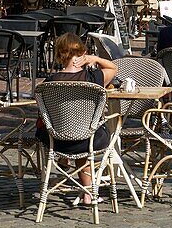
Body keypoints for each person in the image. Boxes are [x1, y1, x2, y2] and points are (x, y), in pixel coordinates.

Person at [35, 32, 118, 206]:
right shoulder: (93, 79)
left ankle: (69, 177)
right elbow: (113, 68)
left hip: (55, 141)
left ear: (59, 55)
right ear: (82, 53)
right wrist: (94, 58)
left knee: (75, 131)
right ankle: (88, 193)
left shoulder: (49, 83)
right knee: (87, 132)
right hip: (87, 140)